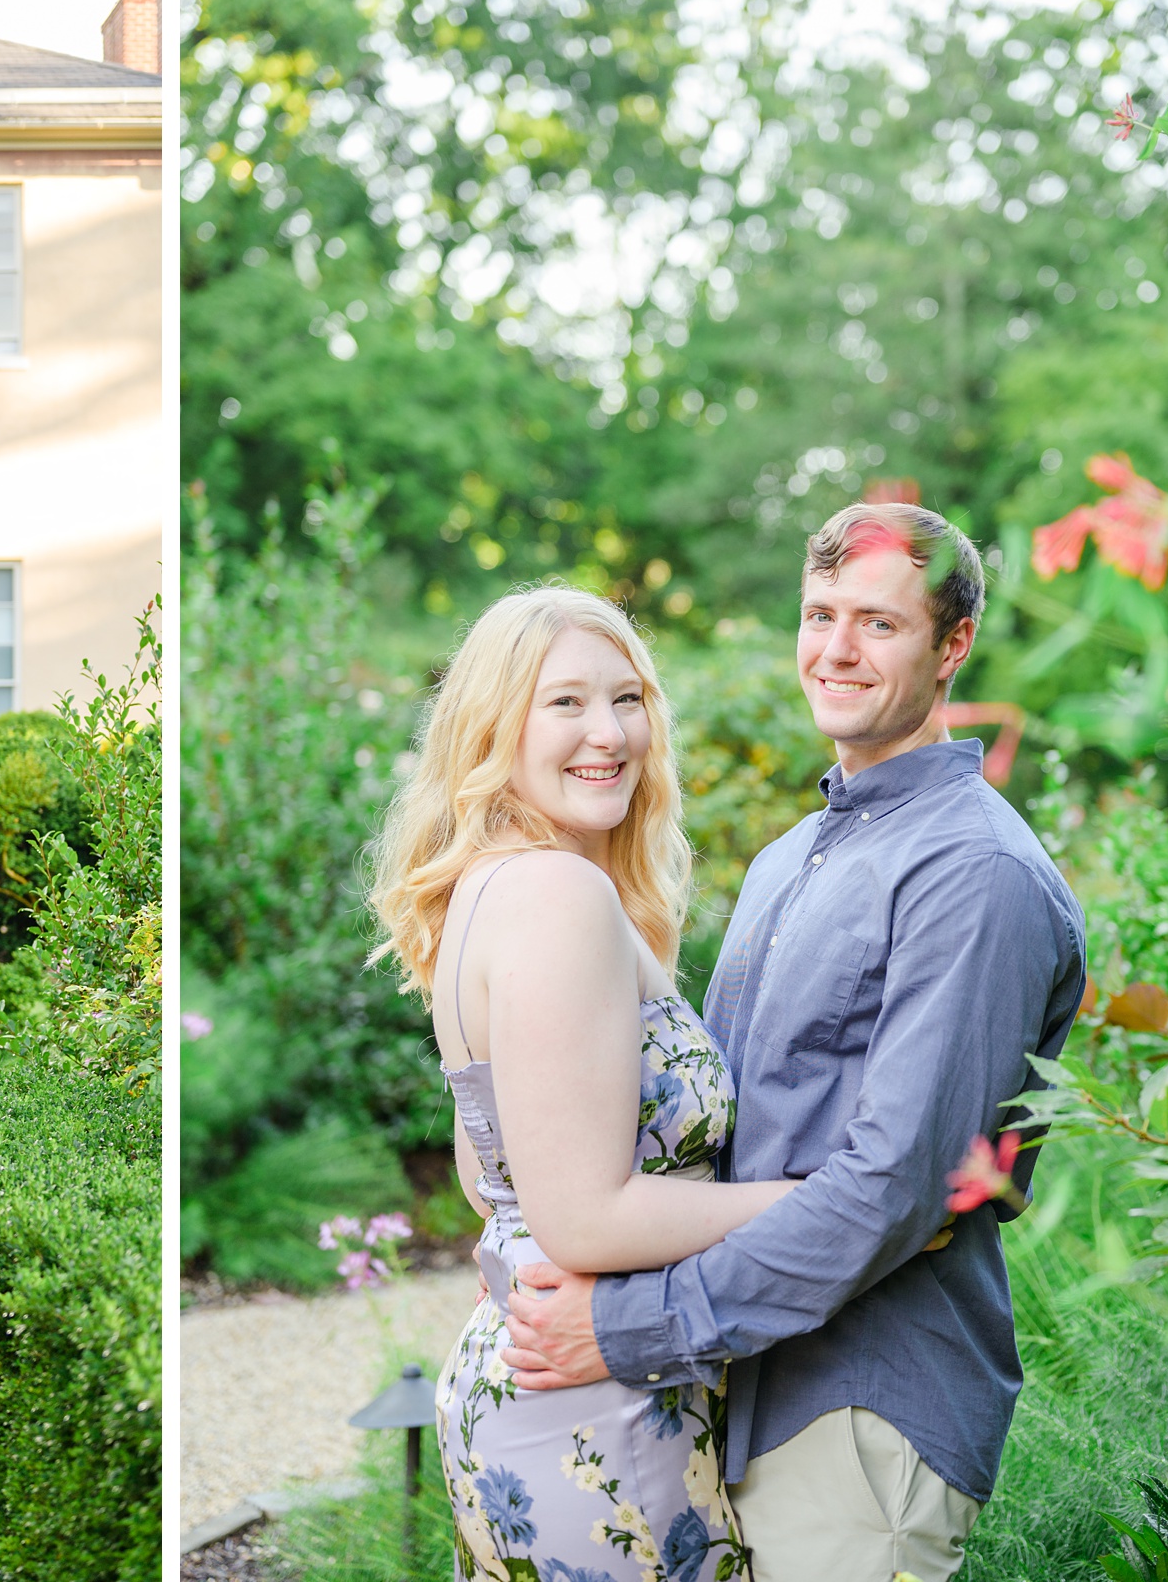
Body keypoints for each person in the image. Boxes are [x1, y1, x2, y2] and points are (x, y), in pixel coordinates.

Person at [496, 504, 1087, 1582]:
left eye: (879, 623)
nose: (836, 650)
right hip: (732, 1392)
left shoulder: (974, 874)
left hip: (859, 1415)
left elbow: (902, 1188)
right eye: (820, 616)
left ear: (953, 644)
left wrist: (630, 1327)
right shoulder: (789, 859)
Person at [369, 585, 795, 1582]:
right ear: (495, 725)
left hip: (536, 1385)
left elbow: (489, 1181)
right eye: (564, 702)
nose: (608, 731)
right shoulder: (558, 894)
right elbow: (583, 1221)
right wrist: (820, 1204)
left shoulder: (488, 886)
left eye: (627, 697)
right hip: (588, 1414)